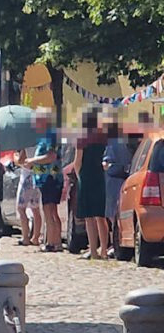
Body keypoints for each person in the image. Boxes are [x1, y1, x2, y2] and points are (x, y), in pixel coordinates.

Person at [73, 106, 109, 260]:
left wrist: (78, 175)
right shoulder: (102, 137)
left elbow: (77, 161)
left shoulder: (82, 138)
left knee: (89, 216)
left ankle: (93, 250)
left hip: (86, 176)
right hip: (99, 176)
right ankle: (104, 251)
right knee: (100, 215)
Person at [28, 108, 63, 252]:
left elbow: (51, 156)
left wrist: (33, 160)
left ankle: (52, 243)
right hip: (45, 177)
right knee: (51, 210)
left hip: (50, 177)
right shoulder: (45, 135)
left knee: (49, 210)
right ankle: (55, 241)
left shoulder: (51, 135)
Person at [102, 112, 131, 257]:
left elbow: (108, 163)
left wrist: (99, 164)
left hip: (113, 181)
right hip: (120, 180)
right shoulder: (121, 141)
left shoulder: (112, 142)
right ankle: (114, 244)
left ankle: (114, 244)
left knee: (112, 214)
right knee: (114, 213)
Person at [12, 148, 43, 247]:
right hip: (36, 175)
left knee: (21, 208)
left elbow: (21, 160)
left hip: (26, 177)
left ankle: (25, 237)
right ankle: (36, 237)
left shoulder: (27, 144)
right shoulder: (39, 143)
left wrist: (15, 157)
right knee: (35, 209)